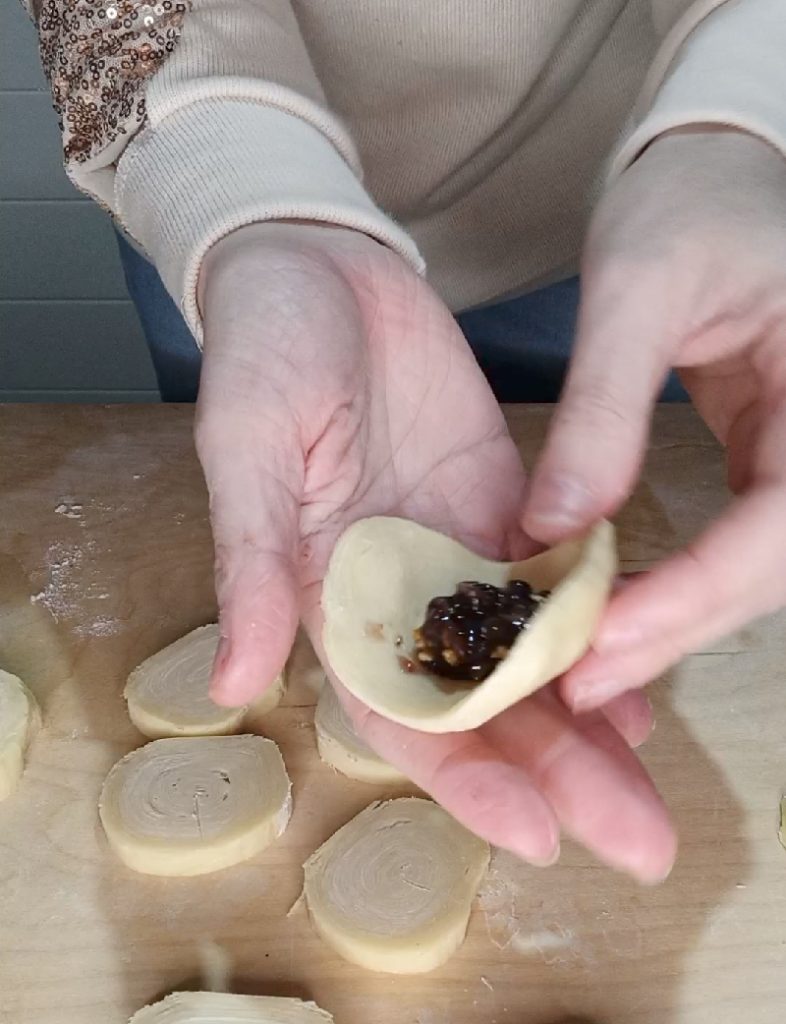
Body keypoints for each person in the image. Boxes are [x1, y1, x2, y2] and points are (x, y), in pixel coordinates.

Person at [28, 0, 786, 883]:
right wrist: (238, 188)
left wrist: (745, 112)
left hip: (650, 215)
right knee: (261, 482)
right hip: (234, 211)